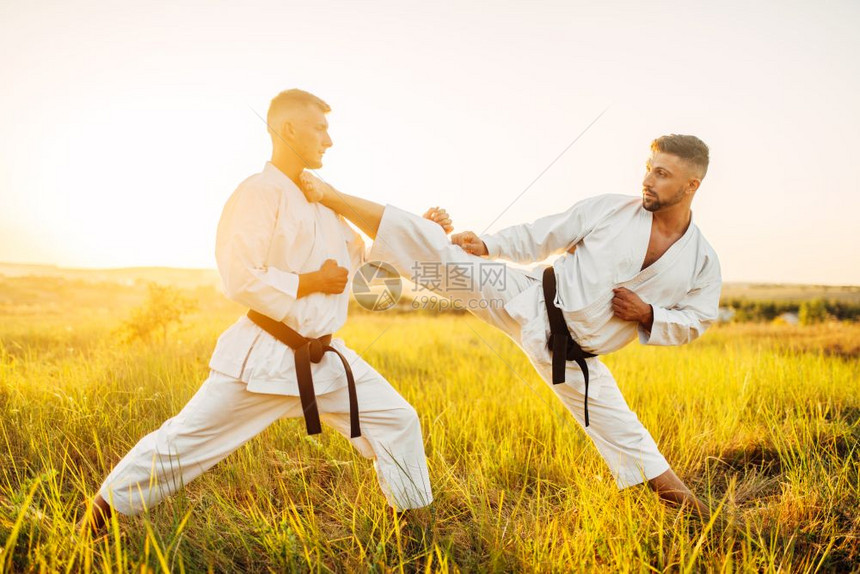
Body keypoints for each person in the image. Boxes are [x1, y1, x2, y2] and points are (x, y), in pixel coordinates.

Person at [299, 134, 721, 517]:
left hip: (575, 358)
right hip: (525, 295)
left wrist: (649, 315)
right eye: (648, 168)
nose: (648, 179)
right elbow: (546, 233)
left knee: (630, 436)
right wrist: (488, 245)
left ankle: (703, 521)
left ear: (691, 186)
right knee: (440, 262)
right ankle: (339, 200)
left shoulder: (702, 261)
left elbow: (697, 320)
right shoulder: (613, 209)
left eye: (662, 174)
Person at [80, 89, 435, 532]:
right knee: (182, 444)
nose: (329, 140)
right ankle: (93, 524)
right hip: (264, 357)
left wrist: (419, 230)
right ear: (288, 129)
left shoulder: (322, 202)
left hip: (325, 358)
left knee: (398, 419)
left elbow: (362, 264)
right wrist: (310, 282)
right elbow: (239, 275)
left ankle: (407, 529)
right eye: (320, 128)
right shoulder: (257, 192)